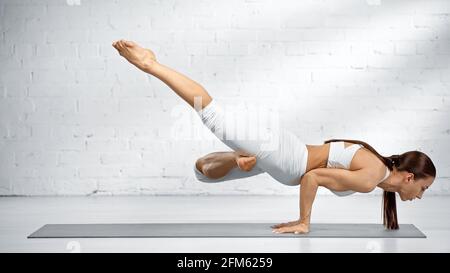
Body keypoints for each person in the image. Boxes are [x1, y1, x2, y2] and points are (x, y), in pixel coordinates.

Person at [112, 39, 436, 234]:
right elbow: (313, 176)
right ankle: (151, 64)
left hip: (281, 156)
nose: (421, 196)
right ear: (409, 177)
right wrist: (303, 221)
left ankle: (243, 158)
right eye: (423, 187)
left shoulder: (377, 174)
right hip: (286, 158)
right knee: (210, 112)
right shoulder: (372, 176)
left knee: (203, 172)